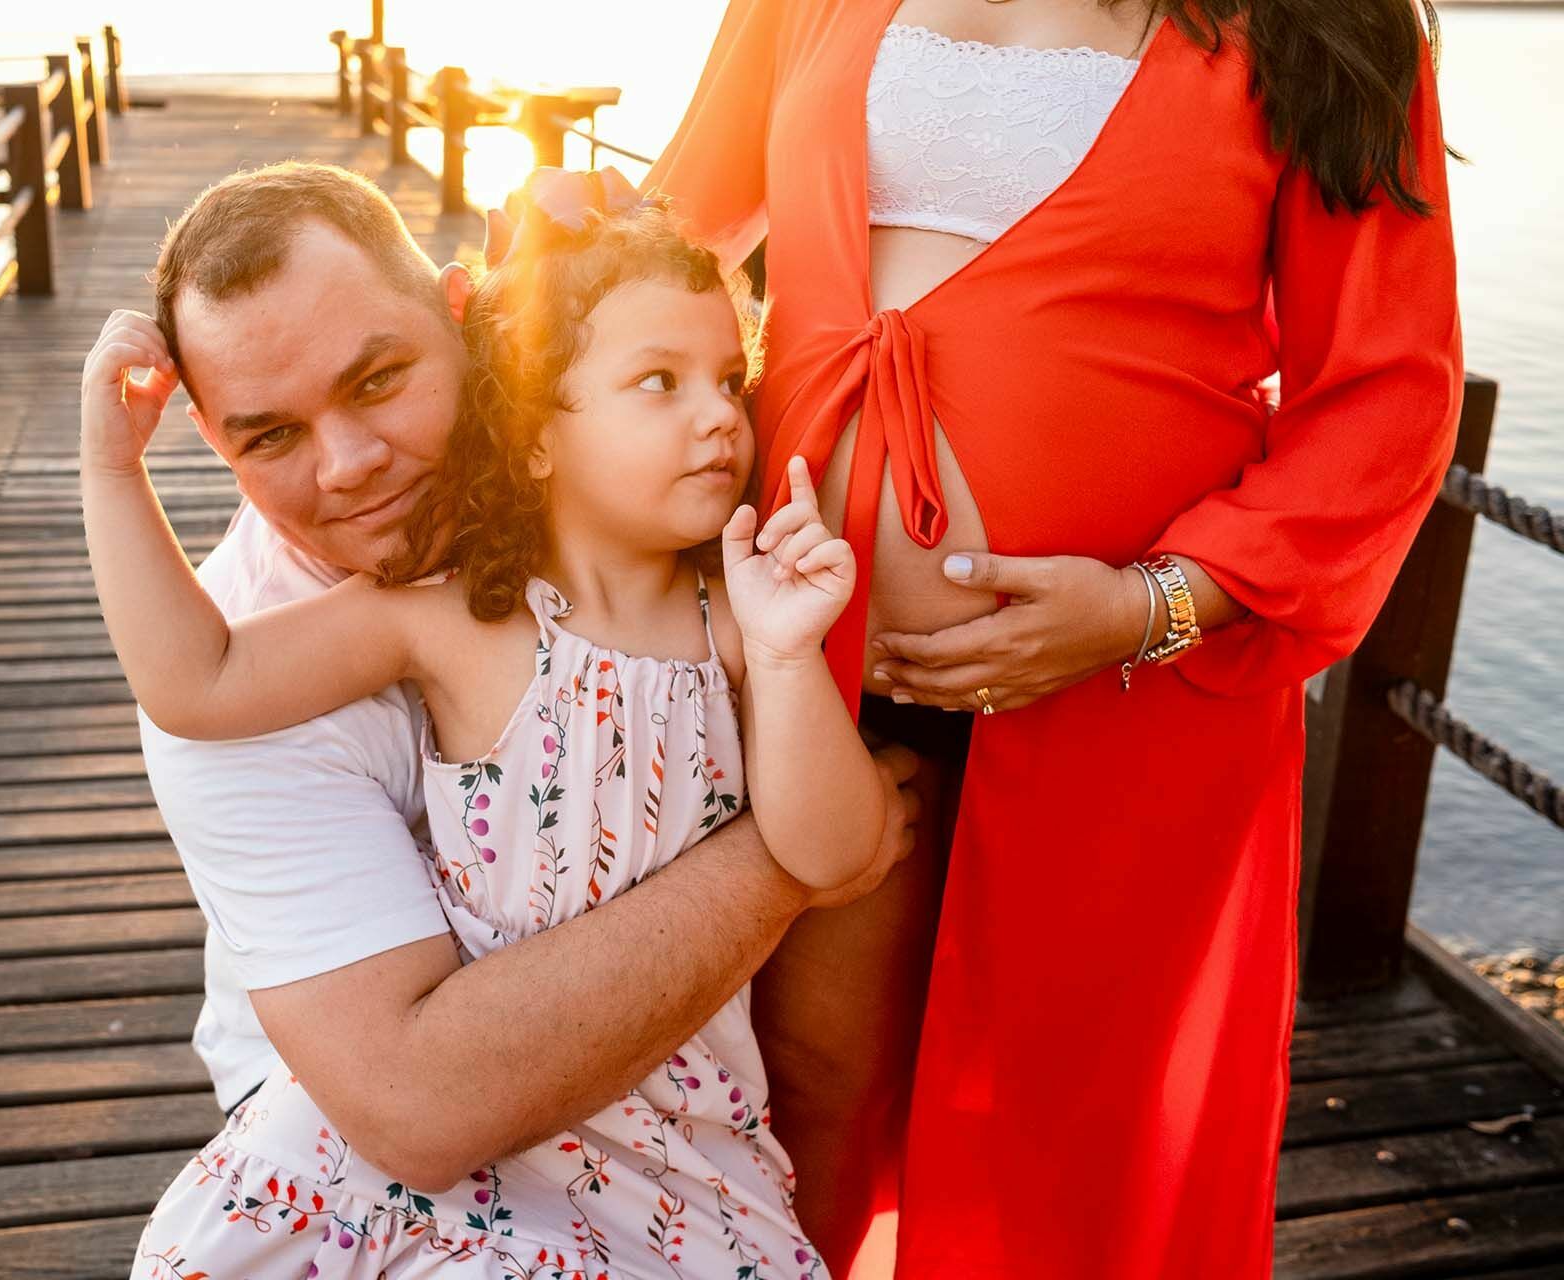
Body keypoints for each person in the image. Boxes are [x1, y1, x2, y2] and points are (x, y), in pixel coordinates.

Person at [648, 0, 1464, 1275]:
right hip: (811, 661)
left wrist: (1147, 608)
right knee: (799, 1089)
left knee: (1071, 1141)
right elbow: (656, 240)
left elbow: (1386, 391)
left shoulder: (1329, 21)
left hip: (1132, 691)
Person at [80, 163, 921, 1276]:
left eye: (379, 379)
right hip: (380, 1103)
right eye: (271, 437)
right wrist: (106, 462)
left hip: (682, 1110)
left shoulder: (649, 522)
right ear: (214, 439)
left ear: (465, 319)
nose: (352, 465)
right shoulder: (384, 623)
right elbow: (420, 1111)